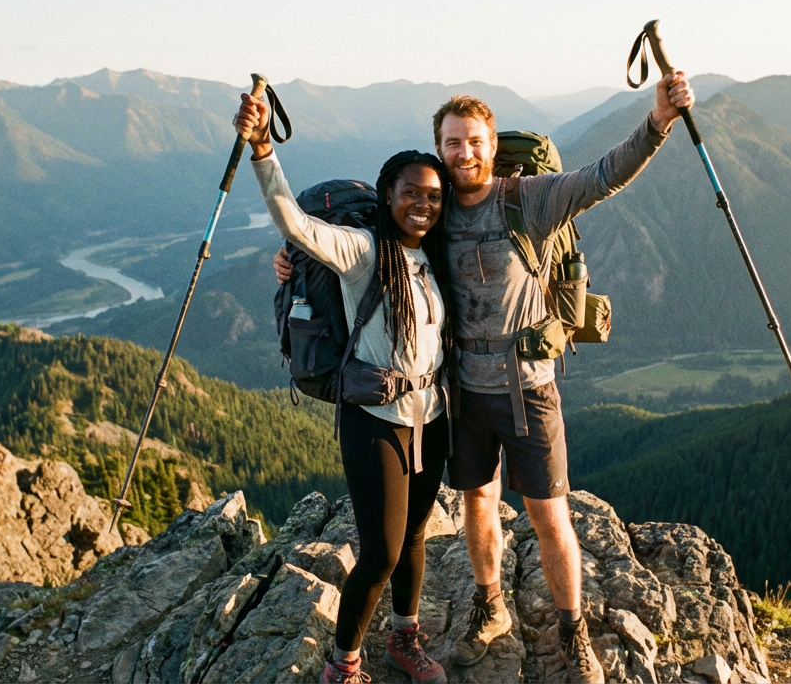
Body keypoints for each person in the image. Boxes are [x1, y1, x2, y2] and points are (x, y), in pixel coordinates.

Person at [275, 71, 695, 684]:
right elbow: (368, 239)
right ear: (439, 150)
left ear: (492, 147)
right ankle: (488, 606)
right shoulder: (434, 211)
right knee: (478, 501)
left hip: (529, 387)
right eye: (452, 142)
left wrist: (657, 122)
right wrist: (292, 257)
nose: (463, 152)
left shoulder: (533, 199)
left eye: (474, 141)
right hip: (462, 393)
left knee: (550, 514)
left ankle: (571, 631)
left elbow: (606, 174)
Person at [236, 94, 453, 684]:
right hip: (375, 418)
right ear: (388, 195)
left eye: (433, 196)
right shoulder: (362, 253)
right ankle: (343, 666)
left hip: (431, 416)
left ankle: (404, 639)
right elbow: (295, 223)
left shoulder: (434, 253)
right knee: (380, 552)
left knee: (414, 538)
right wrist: (262, 149)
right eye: (411, 192)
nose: (423, 204)